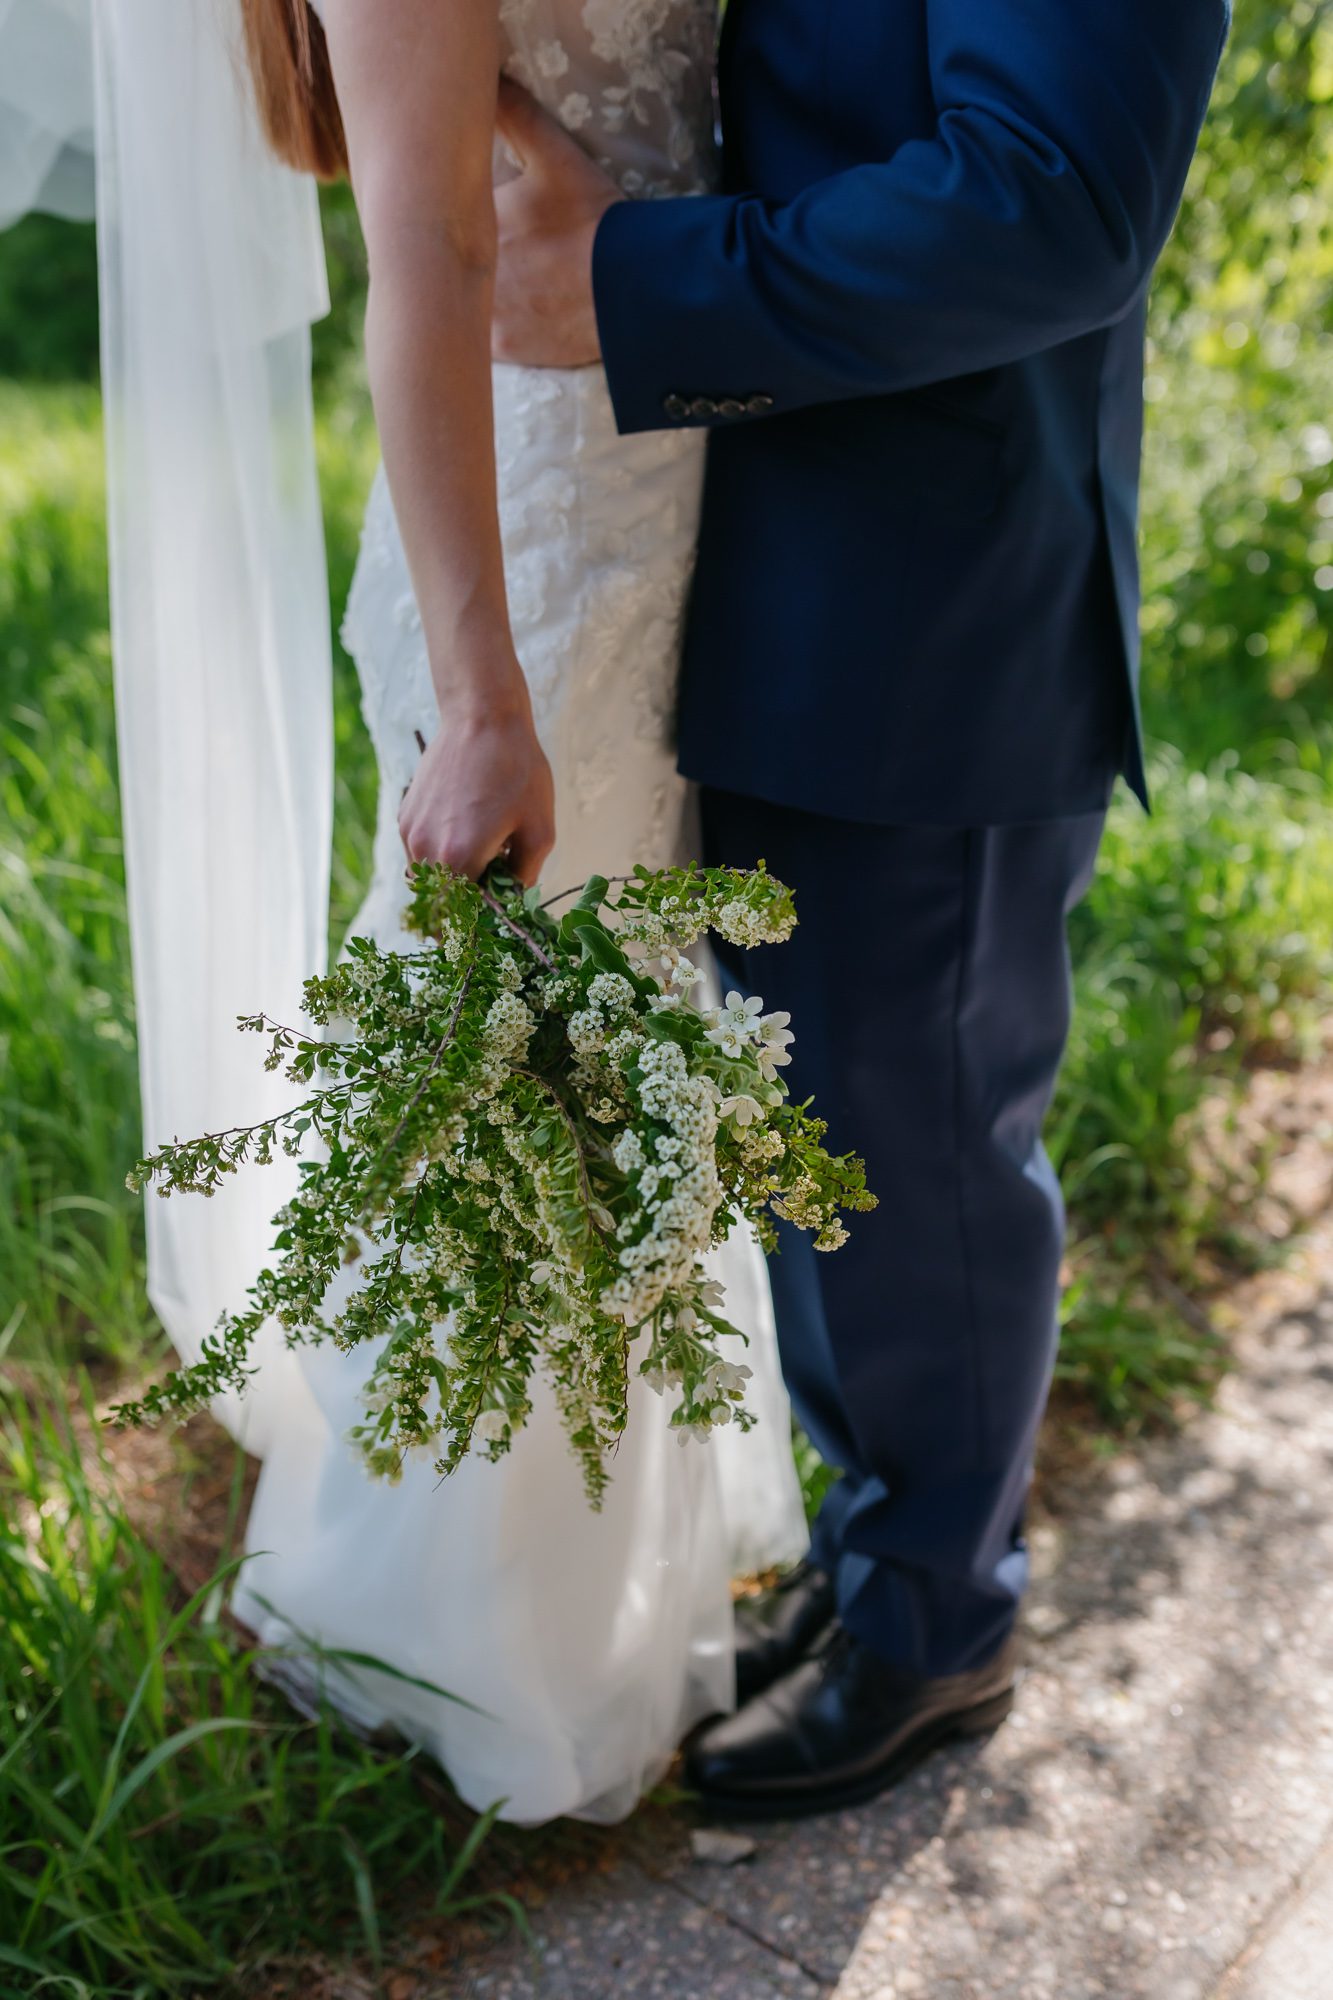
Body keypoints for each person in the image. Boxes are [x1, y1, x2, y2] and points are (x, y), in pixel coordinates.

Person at [0, 0, 809, 1827]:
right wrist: (485, 699)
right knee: (521, 1077)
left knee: (620, 1053)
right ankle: (456, 1640)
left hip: (685, 465)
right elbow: (425, 253)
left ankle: (629, 1572)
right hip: (539, 540)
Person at [483, 0, 1231, 1815]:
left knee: (919, 1133)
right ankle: (883, 1546)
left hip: (943, 588)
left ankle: (942, 1623)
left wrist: (639, 286)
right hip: (790, 551)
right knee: (822, 1123)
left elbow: (1051, 198)